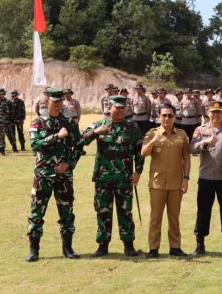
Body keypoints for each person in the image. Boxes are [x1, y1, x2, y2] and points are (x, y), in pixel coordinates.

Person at [80, 95, 144, 257]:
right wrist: (95, 132)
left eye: (123, 108)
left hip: (124, 178)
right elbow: (81, 142)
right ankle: (103, 245)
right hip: (103, 178)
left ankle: (128, 245)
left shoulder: (132, 127)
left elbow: (140, 152)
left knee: (125, 212)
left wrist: (138, 172)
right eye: (118, 108)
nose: (121, 111)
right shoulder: (98, 125)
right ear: (110, 108)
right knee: (103, 212)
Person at [26, 88, 83, 262]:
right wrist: (56, 137)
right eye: (54, 102)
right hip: (43, 174)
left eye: (60, 102)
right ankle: (34, 250)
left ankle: (68, 248)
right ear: (47, 103)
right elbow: (35, 145)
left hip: (64, 176)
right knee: (37, 212)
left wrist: (69, 163)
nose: (58, 105)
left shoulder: (70, 124)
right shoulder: (38, 122)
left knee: (66, 212)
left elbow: (79, 147)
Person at [189, 101, 222, 256]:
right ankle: (200, 244)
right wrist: (204, 142)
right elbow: (192, 148)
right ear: (208, 113)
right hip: (205, 177)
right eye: (213, 112)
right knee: (203, 210)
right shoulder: (200, 130)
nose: (216, 115)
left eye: (219, 112)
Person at [141, 103, 191, 258]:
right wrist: (153, 140)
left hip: (176, 183)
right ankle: (153, 248)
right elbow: (143, 153)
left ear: (175, 117)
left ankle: (175, 247)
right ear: (159, 117)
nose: (167, 118)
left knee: (174, 217)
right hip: (157, 183)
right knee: (155, 218)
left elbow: (186, 157)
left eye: (170, 115)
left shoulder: (181, 134)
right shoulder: (152, 133)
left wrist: (186, 178)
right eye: (164, 115)